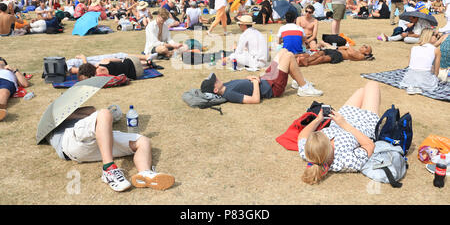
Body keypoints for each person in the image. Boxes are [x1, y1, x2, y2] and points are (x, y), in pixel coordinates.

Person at [43, 106, 174, 192]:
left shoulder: (77, 114)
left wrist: (74, 110)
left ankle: (145, 173)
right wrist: (67, 114)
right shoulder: (51, 119)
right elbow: (98, 114)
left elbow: (91, 110)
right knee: (104, 113)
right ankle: (109, 170)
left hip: (96, 143)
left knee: (143, 141)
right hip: (70, 141)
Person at [298, 81, 381, 184]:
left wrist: (318, 120)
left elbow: (302, 136)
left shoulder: (310, 153)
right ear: (329, 145)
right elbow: (369, 145)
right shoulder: (346, 161)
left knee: (362, 91)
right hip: (364, 124)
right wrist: (344, 124)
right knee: (372, 85)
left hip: (344, 117)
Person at [200, 48, 323, 105]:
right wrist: (254, 82)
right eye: (214, 81)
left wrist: (250, 78)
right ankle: (304, 87)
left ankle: (298, 80)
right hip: (273, 87)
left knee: (283, 51)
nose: (217, 78)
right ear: (215, 89)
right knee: (289, 56)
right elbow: (255, 100)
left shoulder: (225, 86)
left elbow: (242, 86)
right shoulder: (229, 94)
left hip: (266, 78)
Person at [400, 29, 441, 94]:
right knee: (433, 77)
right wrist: (435, 78)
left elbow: (410, 65)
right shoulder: (436, 50)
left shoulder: (414, 48)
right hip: (425, 78)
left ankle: (414, 85)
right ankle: (419, 86)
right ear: (430, 37)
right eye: (436, 36)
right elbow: (437, 71)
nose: (437, 38)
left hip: (410, 77)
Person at [73, 53, 154, 80]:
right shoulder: (102, 62)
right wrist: (84, 58)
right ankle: (146, 62)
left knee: (128, 69)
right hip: (133, 61)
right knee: (124, 62)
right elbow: (118, 60)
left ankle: (147, 66)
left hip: (136, 74)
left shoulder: (98, 77)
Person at [295, 43, 374, 66]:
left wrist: (348, 47)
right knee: (318, 53)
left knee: (322, 58)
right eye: (363, 45)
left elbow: (351, 53)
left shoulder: (361, 56)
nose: (363, 46)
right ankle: (306, 60)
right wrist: (347, 48)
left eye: (365, 47)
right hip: (336, 51)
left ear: (367, 52)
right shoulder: (356, 50)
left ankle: (305, 63)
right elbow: (340, 48)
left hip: (338, 56)